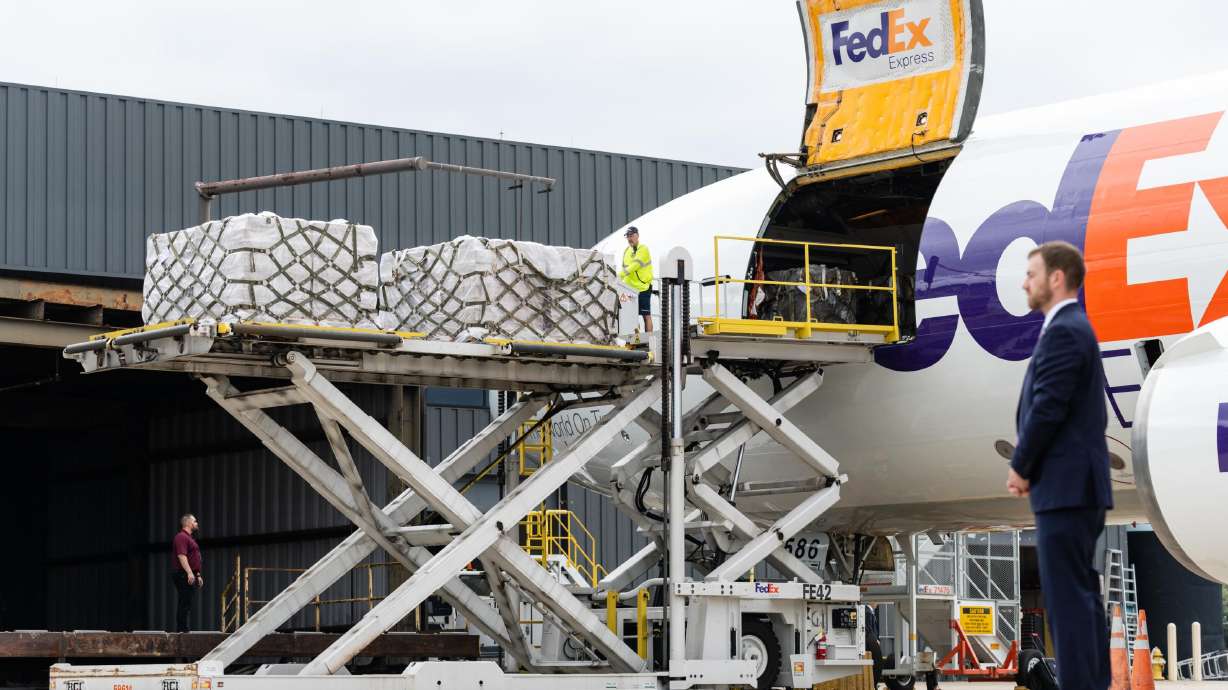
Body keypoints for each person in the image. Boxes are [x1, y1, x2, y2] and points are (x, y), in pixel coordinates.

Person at [1009, 241, 1112, 690]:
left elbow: (1048, 406)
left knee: (1068, 600)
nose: (1024, 282)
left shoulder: (1066, 330)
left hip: (1067, 487)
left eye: (1032, 273)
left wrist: (1022, 464)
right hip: (1075, 485)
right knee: (1082, 594)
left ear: (1056, 278)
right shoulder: (1071, 328)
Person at [171, 513, 202, 633]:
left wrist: (197, 574)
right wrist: (189, 572)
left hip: (189, 574)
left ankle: (183, 628)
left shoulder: (189, 538)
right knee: (184, 600)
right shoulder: (181, 537)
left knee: (187, 601)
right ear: (188, 523)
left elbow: (193, 558)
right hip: (182, 574)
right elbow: (182, 556)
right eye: (195, 521)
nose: (196, 523)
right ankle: (182, 629)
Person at [619, 226, 654, 333]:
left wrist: (619, 275)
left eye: (632, 236)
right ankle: (636, 340)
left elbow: (635, 265)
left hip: (643, 287)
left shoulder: (643, 249)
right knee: (631, 315)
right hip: (629, 289)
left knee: (645, 315)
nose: (630, 238)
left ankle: (649, 340)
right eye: (628, 236)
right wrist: (619, 281)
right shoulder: (626, 251)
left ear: (637, 236)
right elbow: (624, 267)